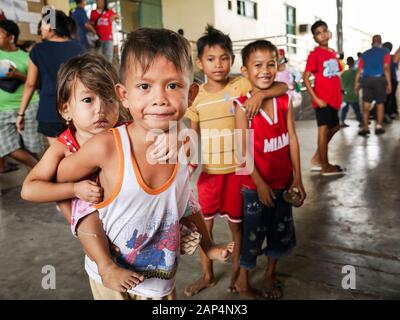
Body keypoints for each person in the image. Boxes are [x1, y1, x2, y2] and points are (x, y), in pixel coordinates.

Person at [54, 28, 234, 300]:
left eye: (173, 86)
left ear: (192, 93)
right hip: (113, 280)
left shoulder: (181, 146)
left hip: (162, 277)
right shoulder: (106, 146)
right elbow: (63, 174)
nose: (159, 98)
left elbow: (186, 202)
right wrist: (78, 187)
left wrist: (207, 244)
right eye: (144, 86)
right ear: (124, 95)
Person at [183, 25, 288, 297]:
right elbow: (193, 134)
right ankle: (206, 274)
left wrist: (261, 94)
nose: (218, 65)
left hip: (238, 175)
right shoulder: (196, 96)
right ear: (199, 62)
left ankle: (236, 276)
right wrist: (187, 164)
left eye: (224, 58)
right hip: (209, 175)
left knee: (238, 230)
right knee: (203, 229)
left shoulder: (241, 84)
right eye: (211, 59)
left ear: (232, 60)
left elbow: (281, 85)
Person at [234, 40, 305, 300]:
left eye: (271, 64)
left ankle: (270, 274)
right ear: (245, 71)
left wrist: (298, 177)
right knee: (252, 238)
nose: (265, 70)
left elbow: (293, 139)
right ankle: (242, 281)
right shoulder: (242, 107)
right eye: (258, 65)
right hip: (255, 188)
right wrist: (260, 184)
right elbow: (242, 152)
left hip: (284, 184)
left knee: (279, 234)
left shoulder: (283, 99)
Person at [17, 10, 84, 146]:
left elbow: (30, 84)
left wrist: (21, 114)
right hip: (76, 108)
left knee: (59, 155)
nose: (40, 28)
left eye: (42, 24)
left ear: (50, 27)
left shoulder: (38, 50)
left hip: (50, 111)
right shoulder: (78, 47)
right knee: (79, 152)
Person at [303, 20, 345, 176]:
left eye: (324, 30)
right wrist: (316, 98)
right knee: (323, 130)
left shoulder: (332, 53)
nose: (323, 34)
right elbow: (306, 77)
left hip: (333, 99)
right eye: (318, 33)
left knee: (335, 127)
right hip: (322, 99)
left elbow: (334, 74)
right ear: (314, 38)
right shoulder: (314, 55)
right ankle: (325, 166)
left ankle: (316, 158)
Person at [0, 20, 41, 172]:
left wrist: (18, 75)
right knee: (6, 147)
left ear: (11, 38)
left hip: (29, 107)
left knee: (32, 147)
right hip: (2, 109)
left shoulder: (27, 57)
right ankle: (40, 169)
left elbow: (35, 83)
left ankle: (38, 183)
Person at [355, 35, 391, 136]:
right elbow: (386, 68)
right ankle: (378, 127)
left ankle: (365, 128)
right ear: (380, 42)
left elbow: (359, 71)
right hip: (379, 80)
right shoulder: (385, 52)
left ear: (372, 42)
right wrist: (389, 83)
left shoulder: (365, 54)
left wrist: (355, 85)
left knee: (366, 105)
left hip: (366, 80)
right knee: (380, 104)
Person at [340, 57, 362, 127]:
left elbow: (341, 85)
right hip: (353, 94)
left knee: (344, 110)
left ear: (347, 63)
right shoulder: (356, 72)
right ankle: (361, 122)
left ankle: (342, 122)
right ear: (353, 62)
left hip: (345, 95)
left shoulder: (343, 74)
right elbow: (359, 82)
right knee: (357, 110)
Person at [382, 42, 398, 120]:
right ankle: (392, 112)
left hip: (384, 79)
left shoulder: (381, 56)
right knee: (391, 97)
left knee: (385, 97)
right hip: (393, 79)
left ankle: (386, 113)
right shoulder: (392, 56)